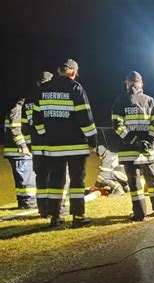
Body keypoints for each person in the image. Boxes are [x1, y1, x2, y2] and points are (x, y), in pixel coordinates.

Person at [33, 59, 98, 228]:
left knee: (55, 182)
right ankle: (78, 216)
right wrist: (93, 141)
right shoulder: (75, 88)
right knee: (77, 182)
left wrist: (44, 135)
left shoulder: (43, 90)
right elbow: (85, 117)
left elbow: (36, 119)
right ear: (73, 72)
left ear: (58, 70)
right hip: (76, 146)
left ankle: (55, 217)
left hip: (53, 147)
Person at [111, 71, 154, 221]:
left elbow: (117, 126)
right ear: (141, 83)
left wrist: (134, 141)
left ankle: (139, 214)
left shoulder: (120, 101)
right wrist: (149, 142)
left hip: (129, 150)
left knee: (134, 183)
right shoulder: (150, 101)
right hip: (148, 151)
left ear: (127, 83)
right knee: (152, 179)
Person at [24, 71, 54, 217]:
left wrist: (29, 145)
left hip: (36, 145)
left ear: (37, 82)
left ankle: (43, 210)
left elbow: (25, 126)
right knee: (56, 177)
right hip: (51, 144)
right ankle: (55, 209)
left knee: (40, 178)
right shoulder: (48, 97)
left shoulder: (28, 99)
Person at [3, 98, 36, 209]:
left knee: (24, 180)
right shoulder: (16, 107)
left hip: (18, 151)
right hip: (18, 151)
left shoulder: (17, 106)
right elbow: (15, 128)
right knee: (26, 180)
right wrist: (23, 146)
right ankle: (29, 203)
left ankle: (24, 203)